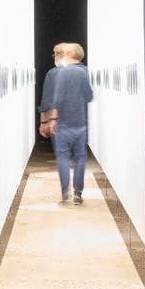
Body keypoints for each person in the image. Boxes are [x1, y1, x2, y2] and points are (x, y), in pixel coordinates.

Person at [39, 42, 94, 204]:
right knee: (80, 158)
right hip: (80, 122)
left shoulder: (55, 73)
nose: (54, 57)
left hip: (61, 123)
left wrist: (46, 120)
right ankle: (78, 193)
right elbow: (89, 96)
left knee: (62, 157)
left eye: (56, 54)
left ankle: (65, 193)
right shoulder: (84, 72)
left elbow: (49, 100)